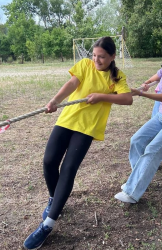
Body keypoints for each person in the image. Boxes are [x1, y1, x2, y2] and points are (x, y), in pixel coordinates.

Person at [23, 37, 133, 250]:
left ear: (112, 57)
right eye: (94, 55)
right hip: (67, 119)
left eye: (101, 57)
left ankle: (48, 224)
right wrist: (55, 101)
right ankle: (55, 199)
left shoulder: (117, 76)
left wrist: (102, 96)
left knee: (68, 169)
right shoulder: (85, 65)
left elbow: (127, 98)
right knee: (48, 161)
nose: (96, 60)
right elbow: (71, 83)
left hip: (87, 127)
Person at [114, 39, 162, 204]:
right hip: (161, 116)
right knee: (137, 140)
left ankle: (133, 192)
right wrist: (145, 85)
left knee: (153, 150)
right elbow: (152, 79)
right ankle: (138, 179)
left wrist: (140, 94)